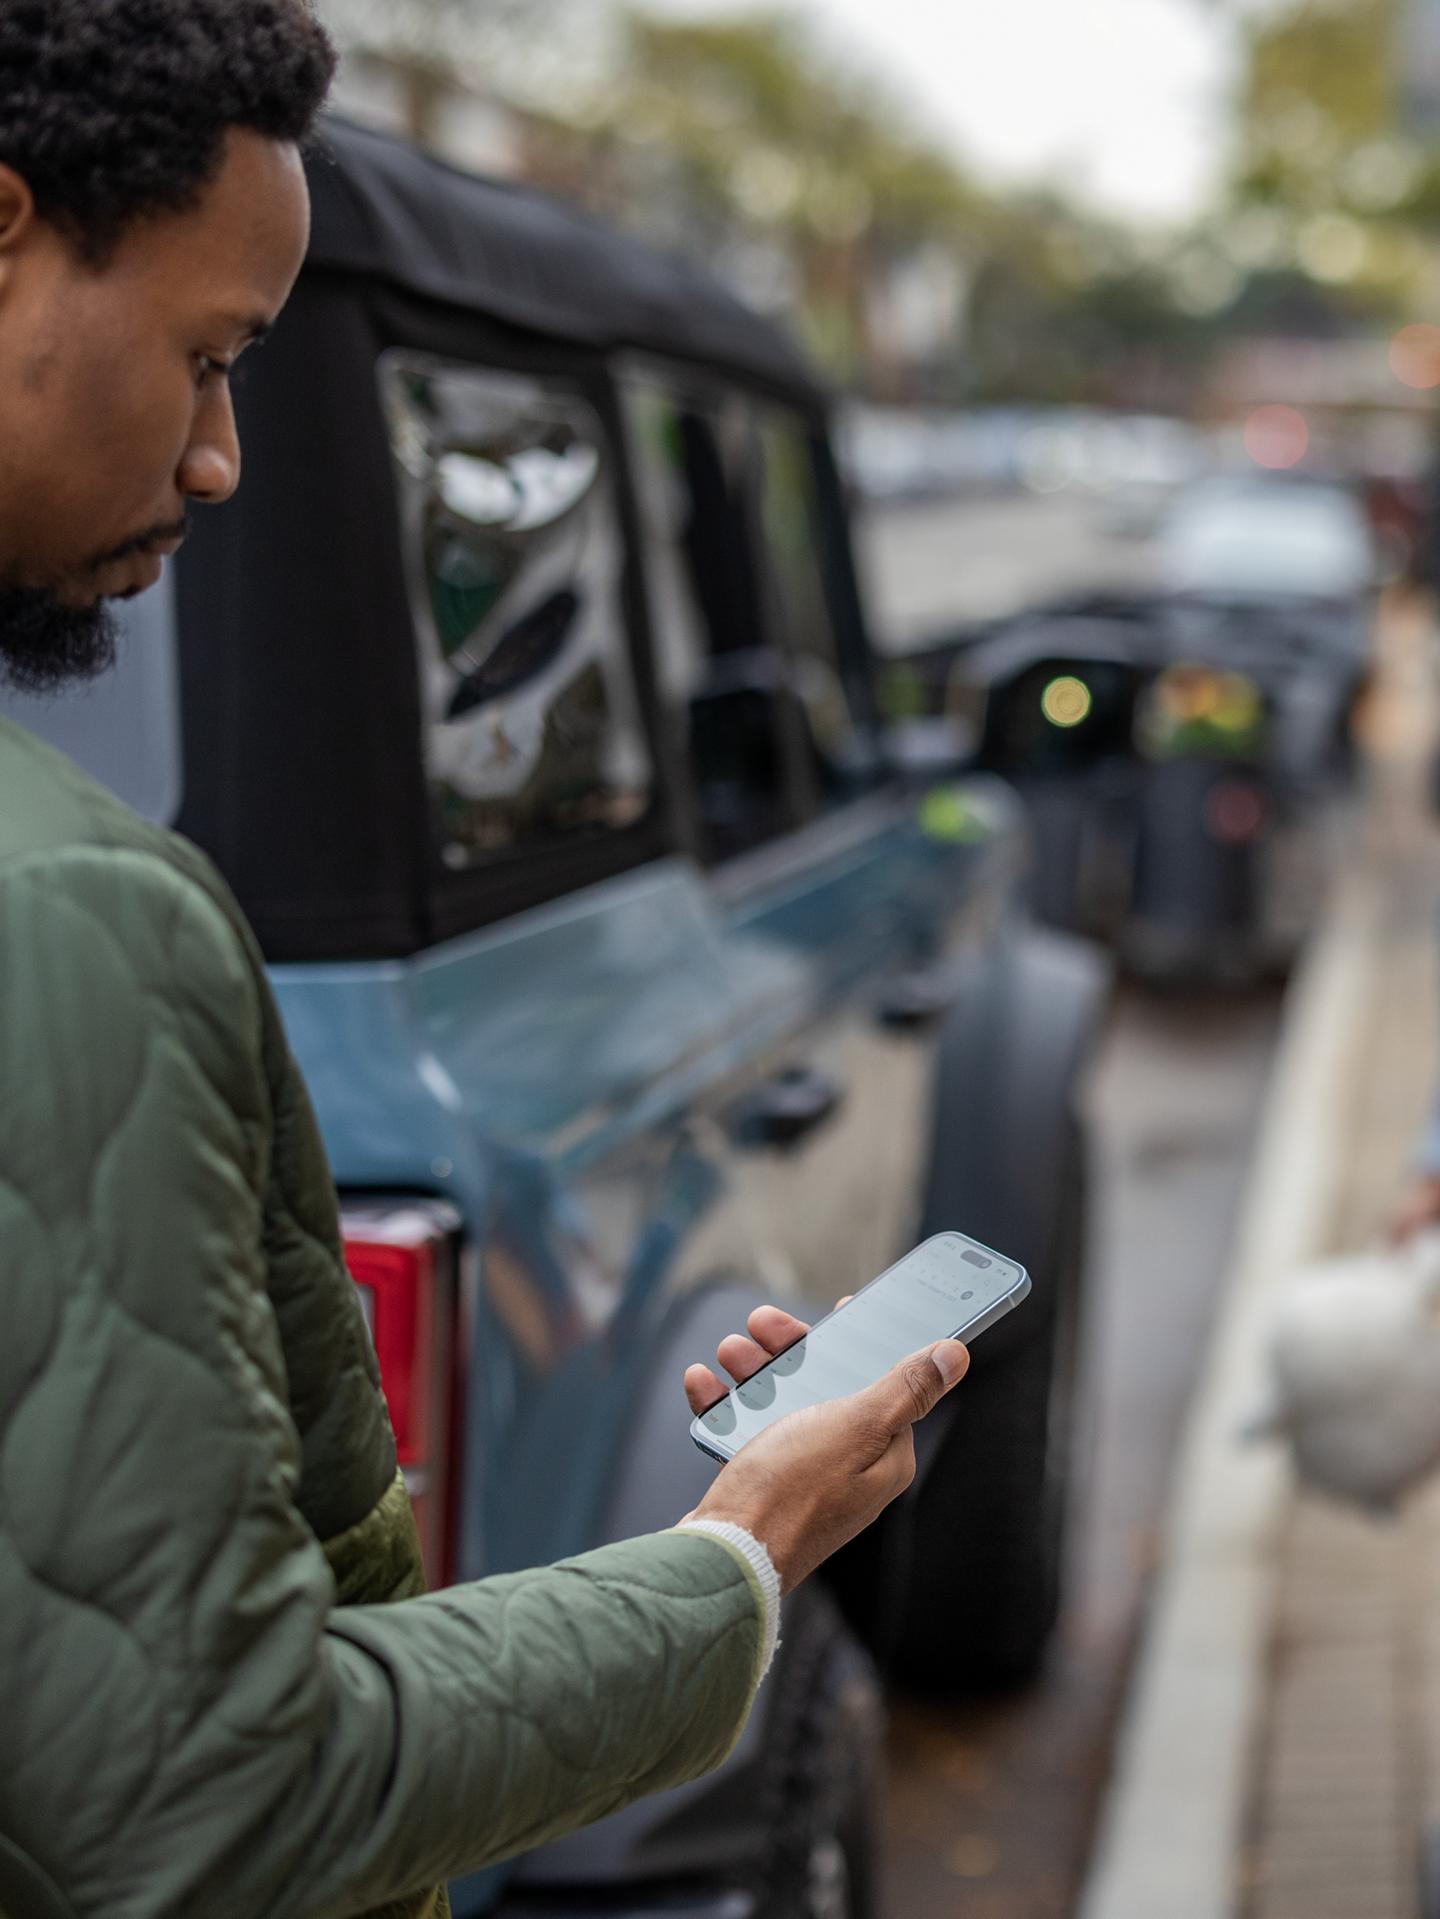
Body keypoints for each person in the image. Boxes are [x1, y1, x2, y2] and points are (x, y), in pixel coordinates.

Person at [0, 7, 970, 1919]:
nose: (217, 462)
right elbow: (217, 1811)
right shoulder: (75, 916)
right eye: (205, 359)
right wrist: (735, 1561)